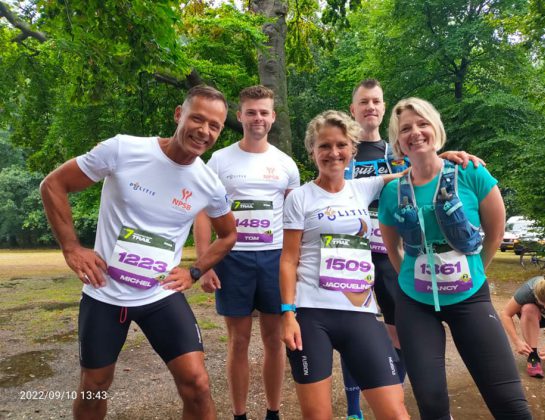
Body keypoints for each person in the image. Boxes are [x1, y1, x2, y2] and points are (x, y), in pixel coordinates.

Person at [40, 85, 237, 420]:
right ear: (179, 115)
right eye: (197, 119)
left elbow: (229, 234)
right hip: (105, 293)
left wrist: (193, 271)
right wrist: (71, 248)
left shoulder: (208, 184)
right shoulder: (123, 149)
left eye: (214, 126)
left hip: (159, 295)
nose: (204, 131)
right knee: (94, 387)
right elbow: (53, 185)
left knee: (198, 384)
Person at [378, 97, 532, 419]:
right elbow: (393, 247)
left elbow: (495, 232)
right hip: (415, 303)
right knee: (432, 404)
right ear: (397, 142)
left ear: (436, 128)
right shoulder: (393, 192)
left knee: (510, 403)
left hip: (469, 298)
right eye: (405, 128)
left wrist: (477, 269)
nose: (415, 132)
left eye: (422, 124)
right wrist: (408, 277)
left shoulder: (470, 173)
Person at [342, 78, 484, 420]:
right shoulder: (342, 148)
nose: (370, 108)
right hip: (351, 254)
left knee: (398, 333)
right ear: (353, 109)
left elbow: (425, 168)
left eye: (376, 101)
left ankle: (393, 397)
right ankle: (353, 411)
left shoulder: (397, 151)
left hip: (391, 255)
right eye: (363, 102)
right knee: (353, 330)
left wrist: (448, 155)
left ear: (382, 105)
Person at [280, 110, 409, 420]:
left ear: (353, 149)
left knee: (395, 412)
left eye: (341, 145)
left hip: (360, 315)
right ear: (312, 150)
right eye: (324, 146)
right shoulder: (299, 197)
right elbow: (288, 259)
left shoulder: (362, 189)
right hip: (311, 315)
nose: (333, 153)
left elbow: (418, 173)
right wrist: (287, 314)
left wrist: (449, 158)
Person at [194, 85, 300, 420]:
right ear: (239, 116)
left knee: (274, 340)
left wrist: (295, 264)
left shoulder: (286, 164)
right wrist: (204, 264)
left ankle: (273, 412)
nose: (258, 118)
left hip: (273, 258)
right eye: (251, 112)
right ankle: (239, 415)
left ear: (273, 117)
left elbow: (294, 218)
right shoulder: (220, 160)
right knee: (238, 341)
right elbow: (201, 211)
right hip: (233, 259)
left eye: (264, 112)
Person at [501, 270, 545, 378]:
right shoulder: (529, 290)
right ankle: (533, 356)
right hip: (540, 317)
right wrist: (517, 341)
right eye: (542, 304)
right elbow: (506, 314)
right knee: (528, 308)